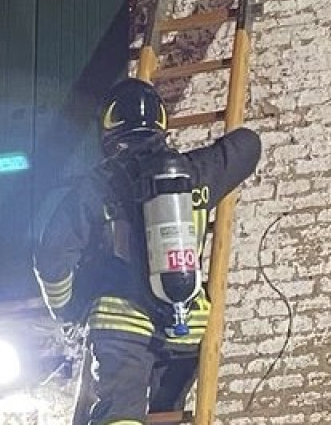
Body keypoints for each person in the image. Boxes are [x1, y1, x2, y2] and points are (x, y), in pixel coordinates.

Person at [33, 77, 262, 425]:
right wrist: (210, 155)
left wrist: (65, 309)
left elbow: (51, 255)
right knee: (164, 415)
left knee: (120, 413)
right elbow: (248, 144)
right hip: (185, 329)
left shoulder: (97, 187)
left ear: (108, 127)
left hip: (121, 327)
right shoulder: (195, 173)